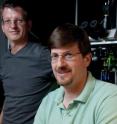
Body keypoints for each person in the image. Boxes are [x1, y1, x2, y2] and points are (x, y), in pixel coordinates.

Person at [33, 23, 117, 124]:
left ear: (86, 59)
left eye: (68, 55)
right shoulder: (48, 101)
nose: (59, 64)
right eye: (55, 56)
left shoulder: (109, 97)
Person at [0, 0, 57, 123]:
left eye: (19, 21)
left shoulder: (42, 54)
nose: (13, 26)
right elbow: (9, 97)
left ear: (28, 25)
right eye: (8, 21)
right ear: (3, 27)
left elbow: (71, 81)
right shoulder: (5, 58)